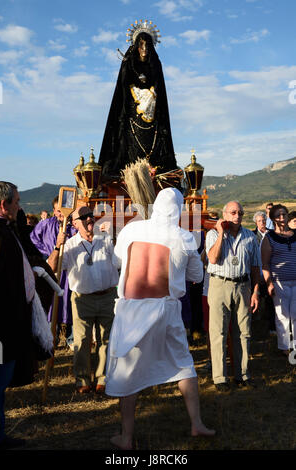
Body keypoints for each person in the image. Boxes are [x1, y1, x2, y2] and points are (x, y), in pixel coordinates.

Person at [105, 188, 215, 450]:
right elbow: (197, 278)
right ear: (178, 209)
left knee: (127, 370)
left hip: (132, 309)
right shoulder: (184, 237)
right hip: (166, 310)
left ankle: (126, 437)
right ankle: (196, 423)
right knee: (183, 363)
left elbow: (117, 260)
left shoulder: (131, 230)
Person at [48, 206, 119, 394]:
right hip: (82, 299)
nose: (90, 219)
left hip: (108, 296)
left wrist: (115, 238)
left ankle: (103, 378)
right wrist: (57, 246)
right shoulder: (69, 245)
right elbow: (52, 268)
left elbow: (121, 262)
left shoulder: (106, 239)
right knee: (82, 339)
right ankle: (82, 380)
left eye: (91, 216)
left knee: (107, 339)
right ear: (74, 223)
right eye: (84, 217)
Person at [98, 21, 177, 181]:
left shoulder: (156, 65)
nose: (144, 49)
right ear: (136, 46)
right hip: (132, 118)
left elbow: (160, 92)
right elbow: (123, 91)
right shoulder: (129, 65)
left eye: (147, 45)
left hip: (153, 118)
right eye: (141, 45)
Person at [206, 201, 261, 392]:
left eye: (240, 213)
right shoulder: (212, 234)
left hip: (243, 285)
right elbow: (213, 258)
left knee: (243, 332)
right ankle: (220, 378)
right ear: (225, 214)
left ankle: (243, 375)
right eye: (233, 212)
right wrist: (221, 233)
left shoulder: (250, 237)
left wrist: (255, 291)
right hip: (220, 284)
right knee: (218, 332)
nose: (237, 216)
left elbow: (255, 267)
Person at [0, 182, 32, 448]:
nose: (20, 206)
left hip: (10, 321)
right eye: (17, 202)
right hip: (1, 325)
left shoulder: (8, 231)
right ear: (3, 205)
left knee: (1, 382)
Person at [30, 196, 76, 347]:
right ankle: (51, 339)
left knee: (69, 303)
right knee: (51, 304)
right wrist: (48, 256)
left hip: (70, 273)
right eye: (58, 211)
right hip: (51, 271)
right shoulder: (45, 225)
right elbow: (33, 241)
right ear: (54, 211)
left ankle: (71, 338)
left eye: (64, 211)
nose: (61, 214)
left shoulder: (75, 226)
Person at [261, 204, 296, 357]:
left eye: (284, 214)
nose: (282, 218)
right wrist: (269, 283)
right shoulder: (269, 238)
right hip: (279, 282)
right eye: (278, 215)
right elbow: (265, 263)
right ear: (273, 218)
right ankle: (284, 347)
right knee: (282, 315)